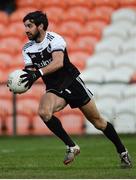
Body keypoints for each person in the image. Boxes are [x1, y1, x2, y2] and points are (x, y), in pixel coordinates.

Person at [19, 11, 132, 168]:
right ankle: (71, 146)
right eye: (25, 26)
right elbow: (30, 72)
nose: (26, 30)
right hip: (54, 88)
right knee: (44, 112)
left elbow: (58, 63)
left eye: (29, 26)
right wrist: (21, 83)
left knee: (98, 122)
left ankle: (123, 152)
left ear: (41, 26)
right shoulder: (26, 48)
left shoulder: (54, 39)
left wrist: (37, 74)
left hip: (71, 82)